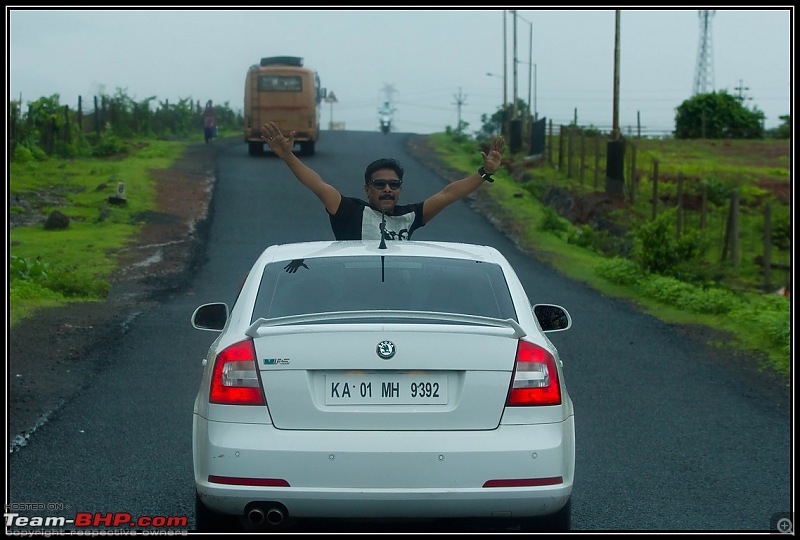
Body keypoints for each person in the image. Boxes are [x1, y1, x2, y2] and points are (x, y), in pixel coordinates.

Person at [261, 121, 505, 241]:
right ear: (367, 189)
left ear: (399, 189)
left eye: (393, 185)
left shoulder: (410, 216)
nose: (387, 189)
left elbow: (449, 194)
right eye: (379, 185)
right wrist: (288, 156)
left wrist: (485, 173)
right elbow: (317, 184)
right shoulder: (347, 210)